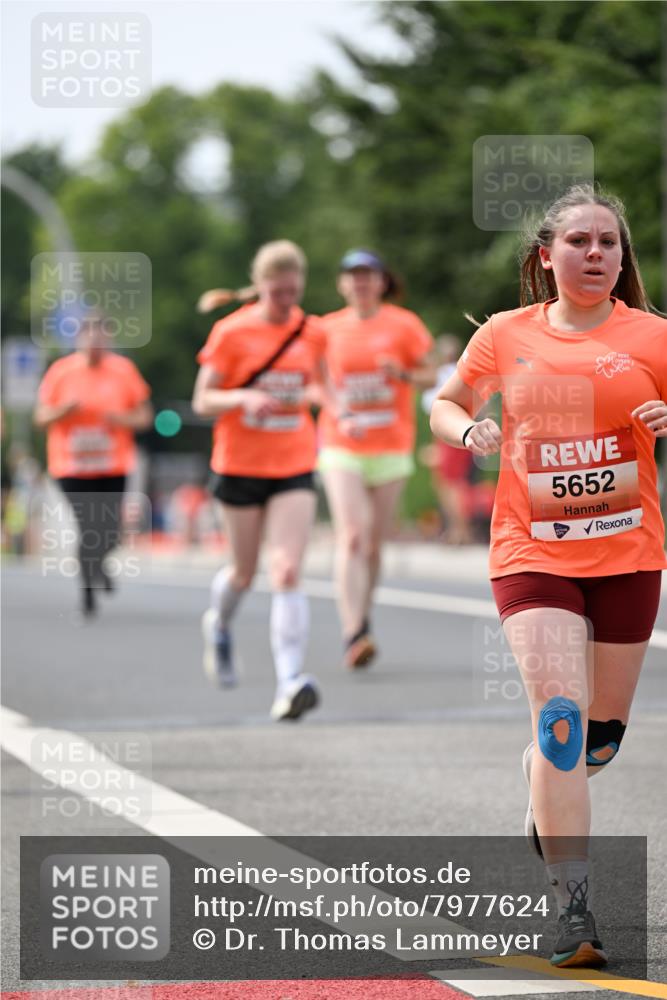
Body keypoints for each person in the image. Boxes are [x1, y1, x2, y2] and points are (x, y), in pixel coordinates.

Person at [431, 185, 667, 968]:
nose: (595, 254)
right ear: (546, 254)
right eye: (578, 242)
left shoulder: (652, 337)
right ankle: (571, 907)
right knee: (560, 718)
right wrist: (467, 427)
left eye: (608, 243)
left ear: (621, 257)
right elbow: (446, 399)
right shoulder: (505, 335)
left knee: (594, 741)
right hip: (530, 553)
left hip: (628, 554)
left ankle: (541, 776)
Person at [192, 240, 327, 721]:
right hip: (239, 466)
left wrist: (324, 398)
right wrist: (243, 400)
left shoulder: (312, 332)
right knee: (244, 572)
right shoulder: (231, 332)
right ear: (261, 286)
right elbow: (202, 401)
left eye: (294, 292)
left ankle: (290, 682)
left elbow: (321, 385)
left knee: (287, 569)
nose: (287, 302)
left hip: (292, 464)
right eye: (278, 293)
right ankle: (220, 625)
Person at [319, 249, 436, 668]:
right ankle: (354, 630)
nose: (361, 282)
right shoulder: (325, 328)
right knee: (351, 535)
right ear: (342, 284)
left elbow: (430, 373)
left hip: (391, 447)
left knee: (372, 544)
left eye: (368, 275)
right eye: (352, 275)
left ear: (382, 282)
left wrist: (402, 374)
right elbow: (316, 381)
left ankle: (362, 615)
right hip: (342, 445)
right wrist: (338, 410)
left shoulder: (403, 325)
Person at [34, 313, 153, 617]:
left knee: (111, 531)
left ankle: (98, 564)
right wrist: (64, 411)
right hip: (71, 467)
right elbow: (41, 417)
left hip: (112, 464)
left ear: (109, 340)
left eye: (101, 339)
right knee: (89, 528)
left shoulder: (123, 371)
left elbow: (145, 417)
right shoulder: (61, 373)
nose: (95, 344)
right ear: (79, 339)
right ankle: (87, 594)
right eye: (90, 338)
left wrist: (119, 419)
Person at [420, 335, 476, 544]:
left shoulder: (445, 374)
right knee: (454, 482)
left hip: (449, 432)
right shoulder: (461, 371)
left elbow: (434, 407)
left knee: (450, 483)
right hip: (459, 430)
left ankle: (459, 529)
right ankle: (459, 528)